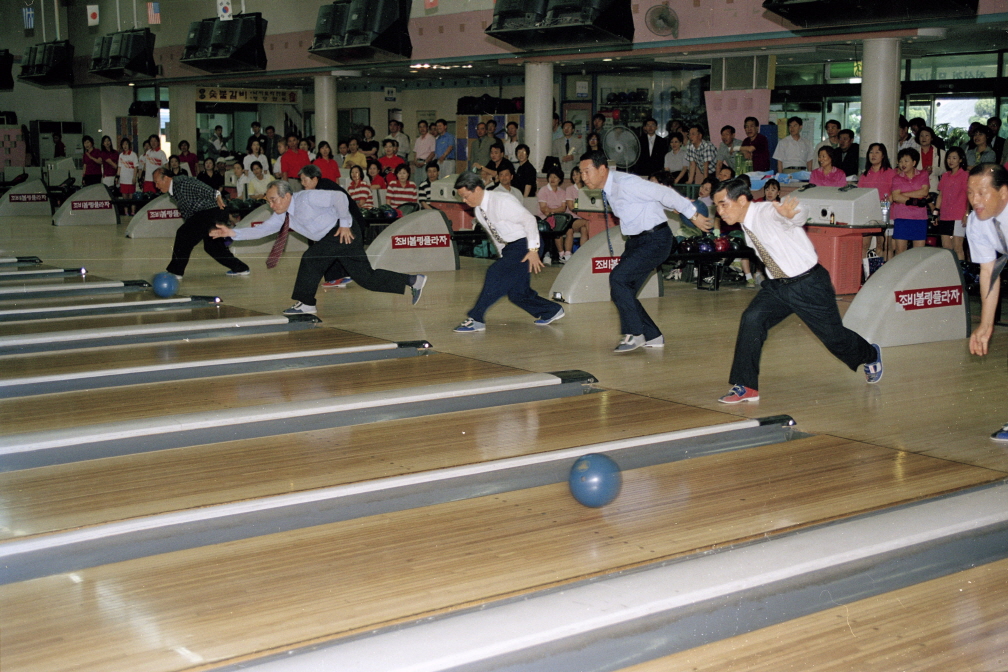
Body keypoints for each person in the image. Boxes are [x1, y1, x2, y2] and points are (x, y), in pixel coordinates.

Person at [712, 177, 882, 404]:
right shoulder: (745, 222)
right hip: (778, 285)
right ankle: (746, 386)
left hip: (808, 284)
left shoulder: (766, 212)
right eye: (717, 206)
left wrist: (791, 214)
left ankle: (870, 354)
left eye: (723, 204)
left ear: (742, 200)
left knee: (834, 338)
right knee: (752, 319)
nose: (720, 211)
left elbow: (797, 213)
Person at [209, 179, 426, 315]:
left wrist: (344, 223)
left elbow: (340, 197)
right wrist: (232, 232)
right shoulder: (282, 214)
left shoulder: (308, 197)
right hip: (335, 237)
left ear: (286, 196)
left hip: (342, 231)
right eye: (269, 201)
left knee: (311, 257)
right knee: (366, 278)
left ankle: (306, 303)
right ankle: (413, 280)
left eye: (274, 200)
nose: (271, 204)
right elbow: (262, 230)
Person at [579, 149, 712, 352]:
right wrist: (671, 207)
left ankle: (635, 334)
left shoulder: (625, 183)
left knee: (618, 279)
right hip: (637, 242)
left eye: (587, 171)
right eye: (581, 173)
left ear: (603, 169)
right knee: (622, 291)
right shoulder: (609, 189)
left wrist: (692, 214)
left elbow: (663, 192)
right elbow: (649, 199)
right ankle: (653, 336)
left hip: (655, 239)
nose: (583, 177)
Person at [451, 172, 564, 333]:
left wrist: (533, 250)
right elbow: (496, 236)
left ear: (477, 189)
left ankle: (476, 318)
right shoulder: (478, 211)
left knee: (495, 273)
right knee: (517, 293)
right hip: (512, 248)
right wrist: (504, 256)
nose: (464, 200)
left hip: (527, 243)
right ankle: (551, 310)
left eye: (465, 196)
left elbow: (529, 220)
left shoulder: (502, 201)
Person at [964, 163, 1008, 440]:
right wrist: (986, 324)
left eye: (982, 193)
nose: (975, 200)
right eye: (970, 193)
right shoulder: (976, 222)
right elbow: (988, 271)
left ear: (1003, 193)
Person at [153, 167, 250, 279]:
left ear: (165, 178)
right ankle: (241, 268)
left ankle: (175, 272)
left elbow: (202, 188)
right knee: (212, 247)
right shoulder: (173, 190)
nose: (156, 186)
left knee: (183, 234)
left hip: (212, 211)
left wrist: (216, 195)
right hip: (210, 214)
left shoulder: (181, 182)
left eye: (157, 182)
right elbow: (188, 212)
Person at [889, 147, 930, 256]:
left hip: (920, 218)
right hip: (901, 217)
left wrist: (903, 195)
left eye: (906, 161)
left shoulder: (923, 174)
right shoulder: (896, 178)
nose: (903, 164)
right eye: (901, 161)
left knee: (918, 252)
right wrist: (915, 199)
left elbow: (924, 192)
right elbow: (896, 198)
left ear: (914, 162)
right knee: (900, 251)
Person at [858, 142, 895, 258]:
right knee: (864, 245)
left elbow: (895, 193)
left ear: (883, 155)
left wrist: (884, 206)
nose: (873, 155)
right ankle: (864, 273)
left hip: (885, 212)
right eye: (871, 152)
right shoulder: (865, 175)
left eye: (877, 152)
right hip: (868, 213)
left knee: (883, 244)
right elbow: (859, 195)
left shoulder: (890, 173)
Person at [932, 147, 969, 261]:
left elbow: (969, 196)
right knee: (947, 248)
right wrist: (935, 213)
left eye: (954, 158)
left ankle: (961, 274)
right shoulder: (945, 176)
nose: (951, 161)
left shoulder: (965, 175)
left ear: (960, 160)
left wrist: (967, 213)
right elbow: (941, 195)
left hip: (958, 215)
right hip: (945, 216)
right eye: (949, 158)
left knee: (957, 248)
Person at [537, 167, 572, 264]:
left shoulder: (562, 192)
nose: (552, 179)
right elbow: (544, 209)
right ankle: (556, 254)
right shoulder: (543, 190)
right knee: (556, 226)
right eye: (550, 177)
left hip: (559, 217)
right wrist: (553, 212)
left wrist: (552, 211)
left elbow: (563, 208)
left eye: (555, 177)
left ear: (560, 179)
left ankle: (566, 254)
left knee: (568, 228)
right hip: (544, 218)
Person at [916, 126, 945, 192]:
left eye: (927, 135)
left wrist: (933, 170)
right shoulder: (914, 153)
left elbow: (945, 170)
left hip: (935, 188)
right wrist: (921, 172)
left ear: (931, 138)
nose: (924, 138)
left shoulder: (941, 153)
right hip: (917, 188)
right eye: (921, 136)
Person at [412, 120, 436, 185]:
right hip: (417, 163)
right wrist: (415, 162)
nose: (422, 129)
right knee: (417, 182)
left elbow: (433, 153)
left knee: (425, 182)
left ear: (427, 128)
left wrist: (425, 162)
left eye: (424, 127)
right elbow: (415, 152)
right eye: (420, 127)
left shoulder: (431, 138)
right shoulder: (418, 139)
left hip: (426, 163)